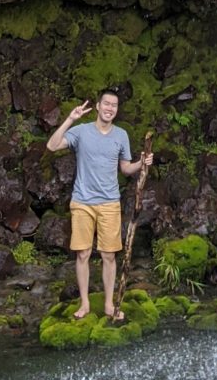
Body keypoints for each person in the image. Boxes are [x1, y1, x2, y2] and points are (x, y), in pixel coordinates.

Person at [46, 88, 144, 321]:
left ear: (116, 110)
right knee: (83, 253)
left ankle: (109, 305)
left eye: (114, 105)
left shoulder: (121, 135)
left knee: (109, 255)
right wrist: (70, 119)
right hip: (82, 202)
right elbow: (52, 146)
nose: (110, 108)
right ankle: (85, 303)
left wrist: (142, 162)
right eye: (106, 104)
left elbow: (126, 169)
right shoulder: (81, 131)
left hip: (110, 202)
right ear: (98, 106)